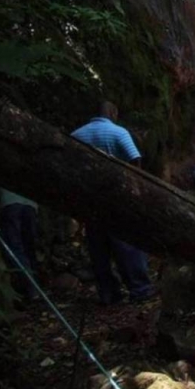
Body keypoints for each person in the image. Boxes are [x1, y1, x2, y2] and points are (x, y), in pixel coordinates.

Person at [71, 100, 156, 305]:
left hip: (90, 199)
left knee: (97, 248)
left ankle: (108, 294)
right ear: (113, 113)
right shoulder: (118, 132)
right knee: (127, 243)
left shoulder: (76, 135)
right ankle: (140, 289)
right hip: (116, 196)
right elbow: (135, 160)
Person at [0, 188, 38, 299]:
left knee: (15, 248)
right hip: (30, 205)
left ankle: (30, 288)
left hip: (10, 203)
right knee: (28, 247)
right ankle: (34, 286)